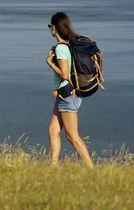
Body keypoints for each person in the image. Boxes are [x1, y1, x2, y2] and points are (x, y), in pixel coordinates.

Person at [46, 12, 94, 168]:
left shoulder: (60, 48)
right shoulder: (69, 44)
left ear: (55, 27)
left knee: (72, 136)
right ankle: (52, 167)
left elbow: (65, 74)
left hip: (68, 95)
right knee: (53, 130)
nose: (49, 30)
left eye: (50, 26)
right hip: (65, 94)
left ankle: (91, 169)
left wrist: (50, 63)